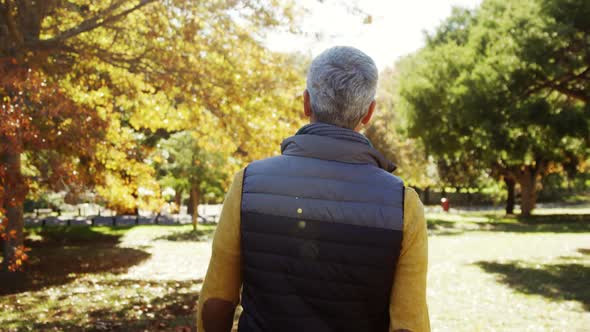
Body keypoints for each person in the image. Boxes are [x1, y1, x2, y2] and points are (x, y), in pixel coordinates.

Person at [196, 46, 430, 332]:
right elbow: (409, 323)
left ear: (306, 103)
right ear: (369, 113)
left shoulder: (247, 183)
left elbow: (216, 302)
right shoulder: (402, 203)